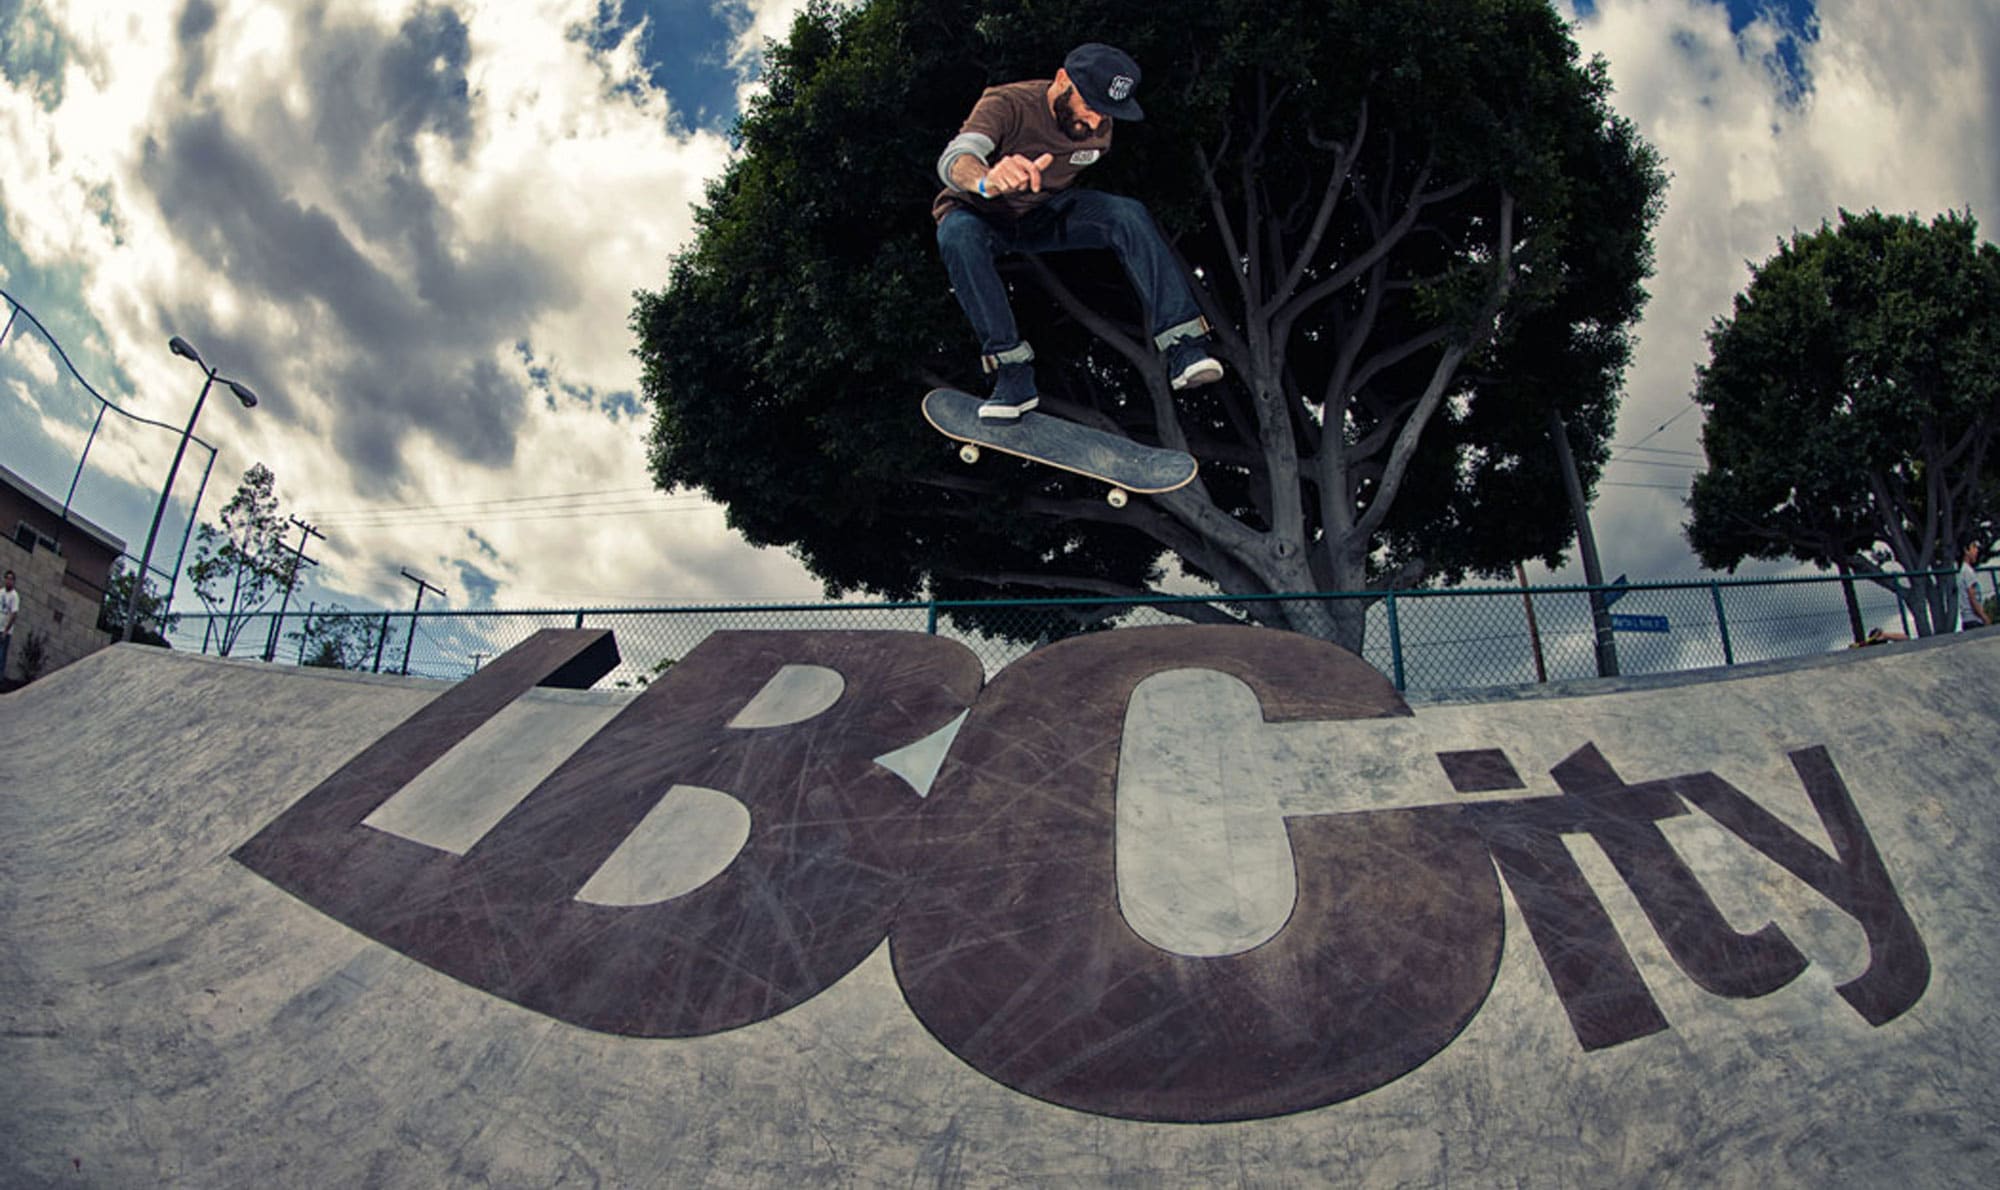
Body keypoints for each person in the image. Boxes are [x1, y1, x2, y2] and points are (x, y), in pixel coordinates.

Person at [932, 43, 1225, 420]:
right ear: (1062, 80)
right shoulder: (1007, 102)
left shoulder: (1100, 130)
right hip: (980, 214)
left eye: (1106, 114)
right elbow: (955, 158)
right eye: (1089, 108)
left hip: (1044, 213)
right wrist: (986, 179)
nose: (1095, 123)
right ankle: (1012, 373)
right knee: (956, 236)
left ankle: (1185, 344)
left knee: (1126, 215)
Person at [1960, 542, 1993, 630]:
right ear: (1966, 550)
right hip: (1973, 620)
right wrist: (1984, 617)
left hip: (1968, 620)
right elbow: (1972, 598)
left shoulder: (1963, 571)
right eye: (1973, 547)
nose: (1976, 551)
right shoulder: (1968, 572)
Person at [0, 569, 18, 679]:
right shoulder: (1, 592)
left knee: (1, 656)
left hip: (5, 631)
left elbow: (14, 614)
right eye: (7, 578)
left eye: (11, 579)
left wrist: (6, 630)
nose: (9, 581)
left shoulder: (14, 596)